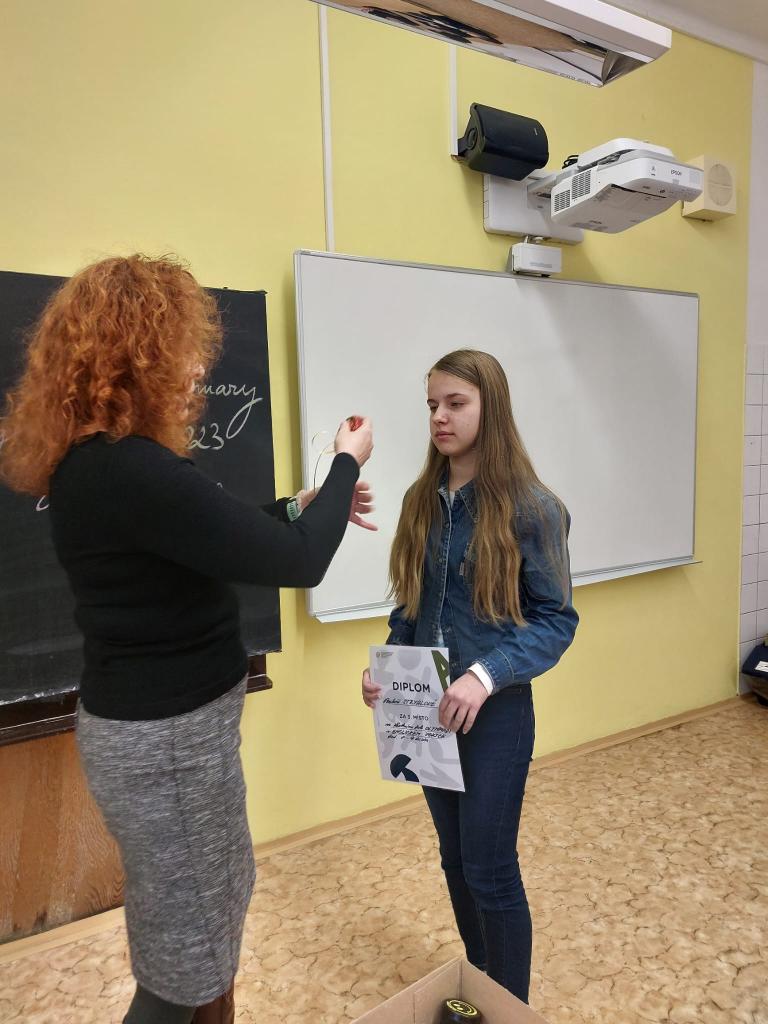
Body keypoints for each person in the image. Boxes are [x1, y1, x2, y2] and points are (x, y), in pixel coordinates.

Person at [0, 254, 375, 1024]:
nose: (198, 366)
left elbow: (223, 537)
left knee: (197, 921)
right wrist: (345, 464)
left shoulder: (102, 466)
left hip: (161, 737)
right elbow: (298, 563)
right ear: (137, 351)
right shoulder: (131, 469)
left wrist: (299, 505)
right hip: (167, 745)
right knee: (187, 965)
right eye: (184, 346)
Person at [362, 348, 578, 1004]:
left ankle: (508, 1009)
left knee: (490, 870)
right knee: (455, 862)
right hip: (427, 716)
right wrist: (388, 670)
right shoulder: (420, 502)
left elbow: (556, 620)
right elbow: (411, 607)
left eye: (455, 403)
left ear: (492, 408)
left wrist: (485, 674)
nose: (439, 417)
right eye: (432, 404)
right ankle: (479, 984)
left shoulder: (534, 509)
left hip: (496, 717)